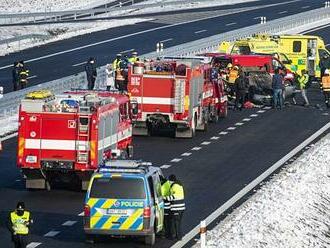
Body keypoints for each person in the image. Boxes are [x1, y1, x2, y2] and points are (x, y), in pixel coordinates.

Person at [165, 174, 185, 240]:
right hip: (181, 207)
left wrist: (165, 198)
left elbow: (173, 196)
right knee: (178, 222)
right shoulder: (179, 185)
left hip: (177, 207)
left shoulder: (175, 186)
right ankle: (178, 236)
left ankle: (178, 236)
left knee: (175, 223)